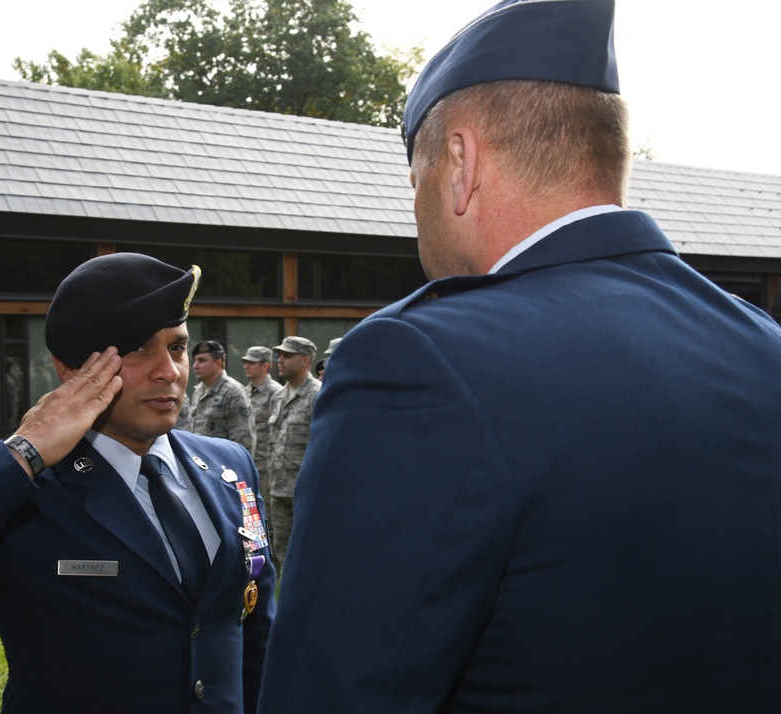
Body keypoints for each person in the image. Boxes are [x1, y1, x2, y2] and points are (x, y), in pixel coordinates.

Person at [257, 1, 781, 712]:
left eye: (415, 182)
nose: (417, 215)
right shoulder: (761, 344)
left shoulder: (421, 360)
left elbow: (336, 690)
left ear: (460, 164)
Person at [0, 253, 276, 714]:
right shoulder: (20, 490)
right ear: (68, 370)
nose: (170, 370)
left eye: (177, 347)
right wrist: (23, 452)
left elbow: (258, 630)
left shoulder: (229, 465)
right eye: (139, 349)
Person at [265, 336, 320, 571]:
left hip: (306, 490)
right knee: (281, 549)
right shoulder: (278, 396)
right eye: (279, 355)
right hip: (278, 489)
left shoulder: (318, 395)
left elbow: (322, 446)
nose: (280, 360)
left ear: (305, 360)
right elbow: (271, 442)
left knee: (309, 550)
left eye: (287, 356)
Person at [190, 340, 256, 454]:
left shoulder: (234, 392)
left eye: (201, 361)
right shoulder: (199, 391)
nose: (195, 366)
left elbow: (244, 442)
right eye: (195, 361)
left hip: (222, 462)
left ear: (218, 363)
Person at [241, 346, 281, 486]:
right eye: (245, 362)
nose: (246, 366)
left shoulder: (276, 393)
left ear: (265, 366)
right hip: (247, 463)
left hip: (266, 467)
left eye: (251, 363)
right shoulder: (244, 392)